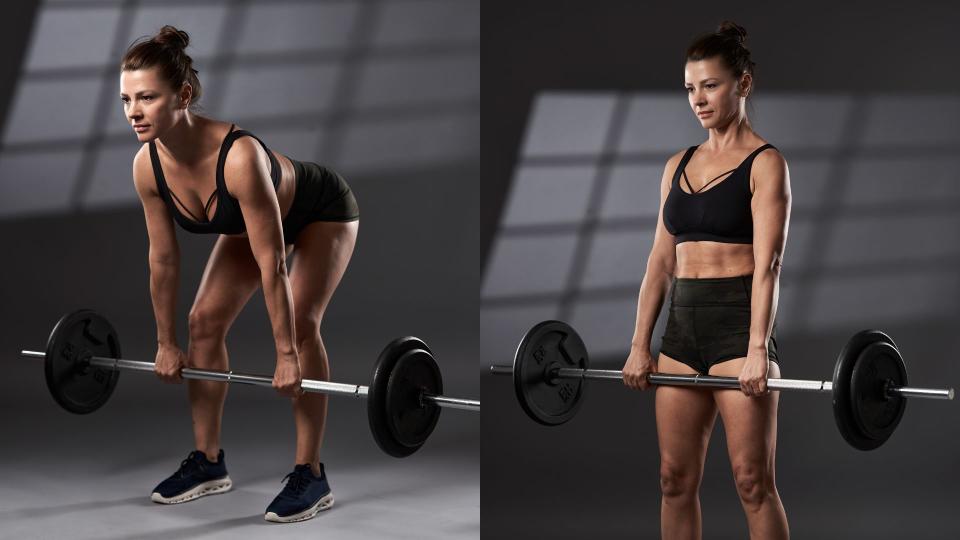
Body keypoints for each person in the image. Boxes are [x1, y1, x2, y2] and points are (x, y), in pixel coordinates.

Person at [120, 25, 359, 523]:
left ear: (182, 95)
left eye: (147, 97)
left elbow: (271, 262)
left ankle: (310, 474)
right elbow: (162, 260)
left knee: (301, 323)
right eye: (125, 99)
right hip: (255, 220)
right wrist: (166, 342)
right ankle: (208, 462)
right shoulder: (147, 166)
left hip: (319, 212)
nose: (134, 112)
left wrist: (287, 356)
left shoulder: (239, 157)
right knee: (203, 322)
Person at [622, 21, 791, 539]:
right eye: (690, 88)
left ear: (742, 84)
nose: (698, 99)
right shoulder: (678, 164)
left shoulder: (766, 164)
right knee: (674, 480)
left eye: (710, 85)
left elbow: (769, 265)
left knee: (751, 482)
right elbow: (659, 262)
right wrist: (639, 345)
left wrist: (758, 348)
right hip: (681, 331)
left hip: (738, 328)